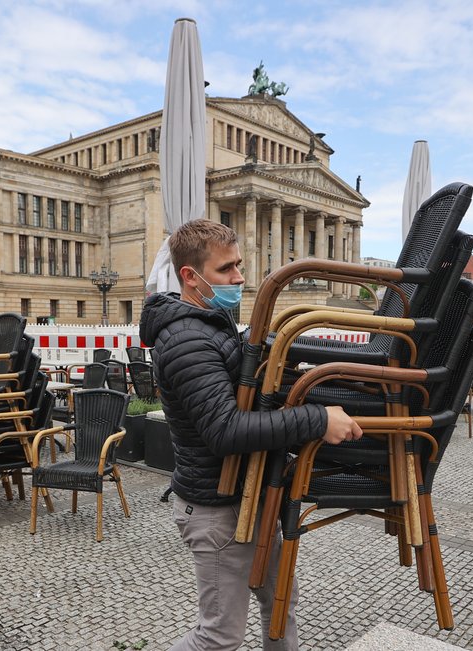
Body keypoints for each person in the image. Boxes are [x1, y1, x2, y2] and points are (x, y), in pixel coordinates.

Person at [139, 219, 362, 650]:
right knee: (219, 637)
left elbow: (246, 397)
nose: (239, 278)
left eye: (239, 265)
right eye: (226, 270)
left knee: (279, 603)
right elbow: (225, 430)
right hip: (216, 510)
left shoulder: (212, 324)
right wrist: (317, 420)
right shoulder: (187, 337)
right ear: (190, 276)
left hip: (249, 497)